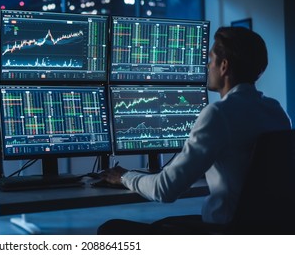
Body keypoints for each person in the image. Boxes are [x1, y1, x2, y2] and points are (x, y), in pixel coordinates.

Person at [98, 26, 292, 234]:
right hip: (266, 230)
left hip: (225, 232)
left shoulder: (219, 113)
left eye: (210, 59)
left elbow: (164, 190)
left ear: (224, 66)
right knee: (165, 223)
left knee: (111, 229)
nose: (208, 66)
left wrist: (124, 177)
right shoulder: (276, 111)